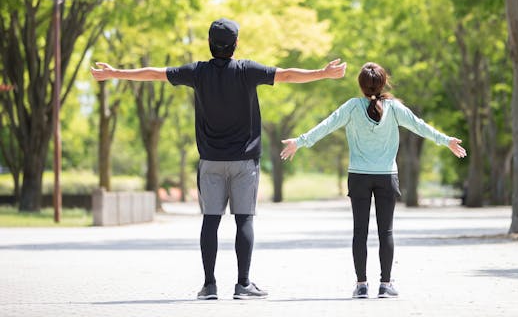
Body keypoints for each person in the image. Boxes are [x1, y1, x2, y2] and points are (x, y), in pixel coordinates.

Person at [91, 18, 346, 300]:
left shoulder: (197, 72)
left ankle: (209, 286)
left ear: (210, 44)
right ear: (235, 45)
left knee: (210, 221)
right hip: (244, 162)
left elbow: (154, 74)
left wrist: (115, 73)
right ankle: (243, 284)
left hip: (210, 161)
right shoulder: (247, 70)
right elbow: (286, 75)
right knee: (244, 220)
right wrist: (323, 73)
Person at [280, 62, 466, 299]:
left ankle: (361, 285)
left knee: (360, 232)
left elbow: (326, 126)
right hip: (387, 176)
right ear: (383, 82)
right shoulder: (395, 109)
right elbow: (420, 127)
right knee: (385, 232)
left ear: (360, 85)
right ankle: (385, 285)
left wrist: (300, 141)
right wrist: (446, 140)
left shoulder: (351, 107)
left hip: (358, 177)